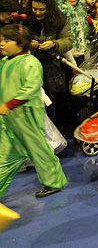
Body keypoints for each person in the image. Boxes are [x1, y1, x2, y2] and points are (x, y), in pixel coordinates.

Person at [0, 24, 67, 199]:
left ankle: (54, 181)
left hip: (26, 115)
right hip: (8, 118)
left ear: (20, 43)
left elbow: (30, 88)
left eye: (7, 41)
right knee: (6, 154)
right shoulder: (4, 62)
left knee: (38, 149)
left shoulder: (30, 62)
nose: (2, 44)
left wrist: (9, 105)